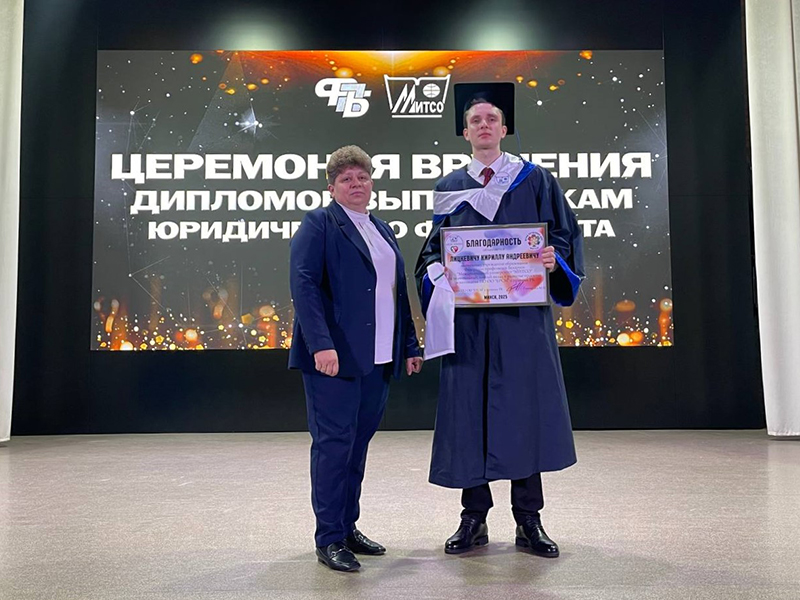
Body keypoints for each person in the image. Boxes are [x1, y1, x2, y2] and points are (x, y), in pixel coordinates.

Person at [415, 83, 584, 558]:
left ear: (504, 128)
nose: (484, 125)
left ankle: (529, 519)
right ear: (465, 132)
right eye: (476, 121)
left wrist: (553, 260)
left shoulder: (535, 179)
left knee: (523, 411)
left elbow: (564, 237)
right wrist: (438, 272)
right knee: (470, 414)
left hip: (520, 320)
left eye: (491, 119)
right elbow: (433, 250)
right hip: (470, 323)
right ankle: (474, 517)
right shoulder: (450, 187)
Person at [289, 145, 423, 572]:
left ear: (372, 183)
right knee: (333, 448)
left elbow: (396, 292)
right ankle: (328, 538)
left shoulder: (382, 229)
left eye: (362, 177)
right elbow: (304, 285)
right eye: (346, 179)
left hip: (377, 359)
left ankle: (347, 527)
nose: (356, 184)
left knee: (356, 447)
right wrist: (320, 344)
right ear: (331, 187)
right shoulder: (319, 223)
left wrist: (409, 346)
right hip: (335, 358)